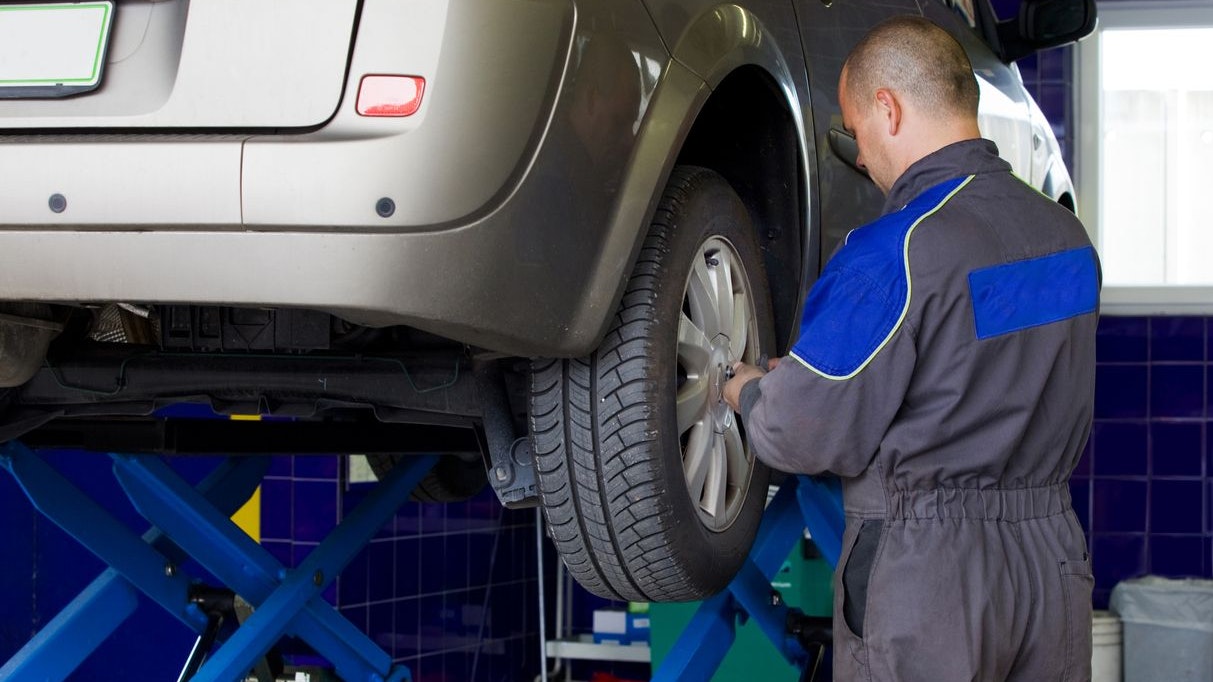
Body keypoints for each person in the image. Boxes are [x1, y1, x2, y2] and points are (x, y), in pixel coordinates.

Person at [722, 16, 1099, 682]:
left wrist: (750, 389)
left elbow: (802, 434)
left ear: (888, 110)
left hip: (932, 575)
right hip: (1050, 561)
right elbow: (970, 358)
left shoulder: (893, 251)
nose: (860, 159)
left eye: (856, 134)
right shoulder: (1065, 236)